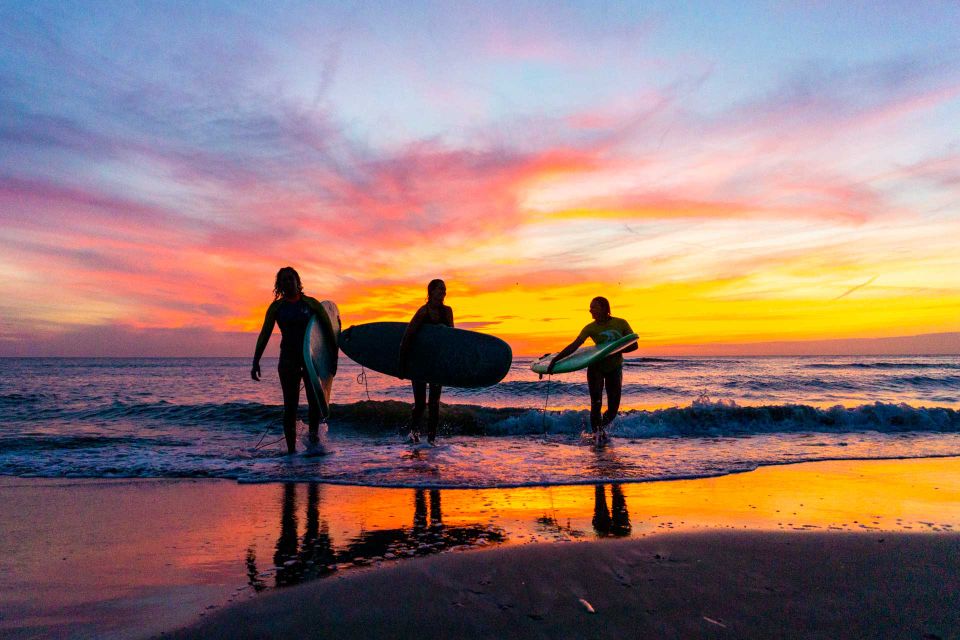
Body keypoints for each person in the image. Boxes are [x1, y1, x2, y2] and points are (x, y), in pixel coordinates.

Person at [251, 267, 327, 454]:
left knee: (314, 403)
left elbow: (328, 330)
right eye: (283, 280)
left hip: (310, 359)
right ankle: (291, 452)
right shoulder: (277, 307)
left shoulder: (311, 304)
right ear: (279, 285)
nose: (287, 283)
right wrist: (256, 361)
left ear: (297, 281)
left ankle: (314, 444)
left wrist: (331, 360)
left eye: (290, 279)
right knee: (290, 407)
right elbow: (265, 334)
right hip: (288, 359)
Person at [547, 296, 636, 439]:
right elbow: (575, 345)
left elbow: (634, 345)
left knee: (613, 409)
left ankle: (601, 428)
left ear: (604, 308)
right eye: (591, 307)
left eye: (594, 307)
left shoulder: (621, 323)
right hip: (596, 367)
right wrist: (555, 360)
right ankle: (597, 436)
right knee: (596, 403)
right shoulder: (590, 328)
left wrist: (612, 350)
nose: (590, 310)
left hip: (615, 368)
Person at [398, 279, 453, 444]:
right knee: (421, 404)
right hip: (420, 362)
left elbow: (452, 338)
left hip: (436, 362)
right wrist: (401, 365)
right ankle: (414, 436)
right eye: (440, 289)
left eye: (444, 290)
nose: (443, 293)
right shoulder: (423, 312)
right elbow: (407, 338)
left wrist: (452, 363)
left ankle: (431, 439)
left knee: (434, 403)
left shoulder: (447, 311)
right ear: (431, 291)